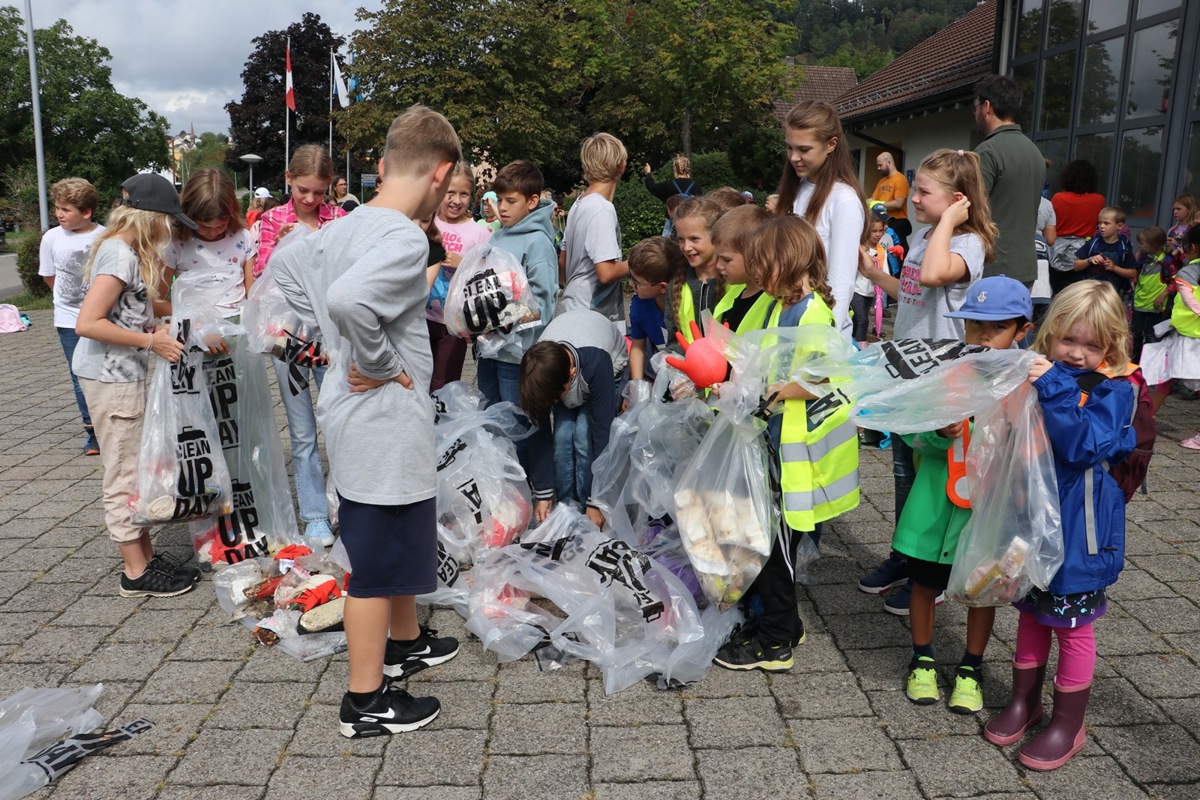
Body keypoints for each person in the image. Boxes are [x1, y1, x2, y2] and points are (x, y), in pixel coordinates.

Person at [272, 105, 463, 738]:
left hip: (363, 416)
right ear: (441, 174)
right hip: (380, 416)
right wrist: (377, 362)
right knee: (377, 561)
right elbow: (347, 301)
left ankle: (402, 644)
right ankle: (366, 699)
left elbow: (291, 281)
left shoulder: (339, 226)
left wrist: (333, 347)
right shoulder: (406, 237)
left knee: (402, 531)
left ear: (384, 166)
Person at [984, 280, 1136, 771]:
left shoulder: (1115, 392)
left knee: (1071, 627)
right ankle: (1025, 702)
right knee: (1030, 613)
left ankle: (1070, 722)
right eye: (1067, 340)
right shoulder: (1036, 379)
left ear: (1111, 347)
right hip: (1031, 527)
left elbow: (1080, 447)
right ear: (1048, 336)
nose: (1076, 353)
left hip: (1080, 539)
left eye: (1093, 345)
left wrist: (1051, 385)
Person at [713, 214, 859, 671]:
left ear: (787, 261)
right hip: (777, 447)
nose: (755, 274)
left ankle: (776, 642)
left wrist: (774, 393)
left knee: (777, 552)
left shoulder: (811, 310)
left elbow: (826, 375)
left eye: (762, 264)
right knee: (767, 544)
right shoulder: (783, 303)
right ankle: (781, 624)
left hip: (794, 455)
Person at [856, 148, 997, 614]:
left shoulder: (966, 243)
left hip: (945, 379)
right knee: (903, 469)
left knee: (933, 476)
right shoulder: (924, 235)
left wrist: (949, 224)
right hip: (911, 371)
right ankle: (906, 554)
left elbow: (936, 274)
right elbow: (914, 289)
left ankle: (931, 571)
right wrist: (874, 273)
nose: (911, 197)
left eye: (923, 191)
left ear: (958, 200)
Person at [898, 277, 1035, 713]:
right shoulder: (949, 374)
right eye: (973, 326)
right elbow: (916, 437)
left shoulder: (1026, 384)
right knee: (922, 583)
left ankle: (971, 668)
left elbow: (1032, 451)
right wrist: (939, 432)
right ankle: (922, 658)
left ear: (1021, 330)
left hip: (986, 512)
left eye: (994, 328)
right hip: (935, 508)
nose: (980, 337)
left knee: (982, 591)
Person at [73, 173, 197, 597]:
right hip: (111, 378)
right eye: (169, 221)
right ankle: (135, 571)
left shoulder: (123, 250)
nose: (171, 230)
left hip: (121, 375)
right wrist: (152, 341)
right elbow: (87, 323)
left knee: (134, 467)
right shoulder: (120, 255)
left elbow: (139, 306)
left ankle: (143, 554)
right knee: (124, 471)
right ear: (150, 217)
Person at [255, 144, 346, 545]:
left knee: (339, 422)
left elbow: (348, 273)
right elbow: (260, 276)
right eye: (303, 190)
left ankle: (346, 502)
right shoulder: (273, 219)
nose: (310, 199)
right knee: (303, 431)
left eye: (319, 192)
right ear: (288, 179)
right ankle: (314, 515)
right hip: (287, 339)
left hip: (329, 337)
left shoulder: (339, 220)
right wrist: (283, 247)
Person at [519, 309, 628, 529]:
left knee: (583, 434)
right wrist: (543, 493)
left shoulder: (597, 362)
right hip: (569, 373)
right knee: (561, 436)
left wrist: (596, 501)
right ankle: (565, 504)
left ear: (569, 378)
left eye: (555, 399)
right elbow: (538, 434)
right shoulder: (537, 372)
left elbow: (602, 432)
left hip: (606, 372)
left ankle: (584, 501)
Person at [775, 100, 868, 338]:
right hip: (786, 320)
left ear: (831, 144)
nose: (794, 157)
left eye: (804, 149)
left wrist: (823, 340)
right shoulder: (796, 189)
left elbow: (841, 281)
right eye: (789, 148)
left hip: (818, 333)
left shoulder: (844, 201)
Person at [480, 160, 559, 409]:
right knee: (492, 423)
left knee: (520, 426)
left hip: (518, 357)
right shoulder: (498, 235)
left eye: (510, 201)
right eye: (499, 199)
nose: (501, 208)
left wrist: (499, 318)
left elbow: (543, 305)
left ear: (532, 201)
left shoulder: (538, 243)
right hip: (488, 350)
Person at [39, 177, 105, 456]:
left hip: (104, 318)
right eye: (57, 208)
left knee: (105, 373)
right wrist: (70, 301)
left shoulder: (105, 236)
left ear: (86, 212)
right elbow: (49, 276)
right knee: (79, 374)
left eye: (65, 209)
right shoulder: (51, 237)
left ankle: (111, 425)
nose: (58, 214)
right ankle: (93, 432)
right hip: (68, 320)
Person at [973, 75, 1046, 284]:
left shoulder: (988, 151)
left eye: (975, 107)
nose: (975, 114)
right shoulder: (1034, 152)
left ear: (987, 106)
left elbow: (970, 210)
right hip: (1025, 268)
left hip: (992, 268)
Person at [428, 162, 492, 390]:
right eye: (450, 193)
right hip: (421, 317)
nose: (456, 200)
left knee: (443, 384)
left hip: (454, 323)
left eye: (463, 194)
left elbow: (487, 276)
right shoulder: (428, 223)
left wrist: (463, 263)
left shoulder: (479, 232)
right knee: (420, 379)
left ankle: (441, 424)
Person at [559, 133, 629, 327]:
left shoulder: (579, 203)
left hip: (572, 308)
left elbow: (562, 261)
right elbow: (606, 272)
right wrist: (638, 261)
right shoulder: (602, 209)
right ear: (621, 167)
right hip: (593, 318)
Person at [1142, 225, 1200, 426]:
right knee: (1167, 375)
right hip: (1185, 334)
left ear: (1191, 247)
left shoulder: (1189, 272)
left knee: (1168, 377)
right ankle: (1146, 420)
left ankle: (1145, 420)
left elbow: (1190, 301)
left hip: (1189, 336)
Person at [626, 237, 683, 382]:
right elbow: (638, 346)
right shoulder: (640, 304)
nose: (630, 284)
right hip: (660, 374)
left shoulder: (684, 309)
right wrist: (637, 385)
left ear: (663, 287)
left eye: (637, 282)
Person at [711, 204, 773, 333]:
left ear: (755, 255)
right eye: (717, 257)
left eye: (726, 260)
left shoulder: (774, 301)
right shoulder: (735, 291)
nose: (718, 265)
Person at [671, 197, 725, 343]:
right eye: (681, 239)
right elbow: (673, 337)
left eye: (694, 239)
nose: (686, 247)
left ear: (716, 236)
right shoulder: (677, 282)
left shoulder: (733, 283)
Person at [1049, 160, 1106, 295]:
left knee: (1056, 291)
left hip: (1057, 250)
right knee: (1079, 293)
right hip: (1083, 251)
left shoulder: (1058, 198)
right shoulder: (1098, 200)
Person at [1070, 206, 1136, 300]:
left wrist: (1114, 268)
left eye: (1106, 223)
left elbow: (1133, 273)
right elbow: (1076, 266)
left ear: (1119, 226)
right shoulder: (1093, 244)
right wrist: (1090, 260)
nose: (1101, 226)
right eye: (1100, 222)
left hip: (1112, 295)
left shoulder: (1124, 247)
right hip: (1089, 292)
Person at [1129, 225, 1170, 363]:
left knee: (1152, 335)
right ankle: (1134, 362)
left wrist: (1163, 294)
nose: (1140, 245)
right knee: (1135, 333)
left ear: (1153, 244)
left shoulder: (1167, 261)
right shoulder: (1141, 257)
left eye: (1142, 243)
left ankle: (1149, 363)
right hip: (1139, 301)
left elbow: (1175, 281)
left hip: (1155, 305)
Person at [852, 219, 893, 347]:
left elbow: (885, 273)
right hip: (856, 290)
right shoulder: (859, 249)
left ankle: (851, 342)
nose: (878, 234)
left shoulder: (881, 251)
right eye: (874, 231)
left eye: (881, 231)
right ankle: (861, 348)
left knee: (856, 321)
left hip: (870, 292)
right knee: (862, 320)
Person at [642, 155, 702, 235]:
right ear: (688, 169)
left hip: (672, 225)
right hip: (692, 224)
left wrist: (648, 174)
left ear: (674, 169)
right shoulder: (696, 186)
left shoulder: (669, 186)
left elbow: (651, 187)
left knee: (668, 246)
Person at [872, 151, 911, 253]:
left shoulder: (900, 179)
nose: (878, 168)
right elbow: (873, 200)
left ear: (889, 162)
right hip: (882, 223)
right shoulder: (881, 181)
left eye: (880, 165)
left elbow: (898, 203)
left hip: (896, 223)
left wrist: (878, 204)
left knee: (895, 256)